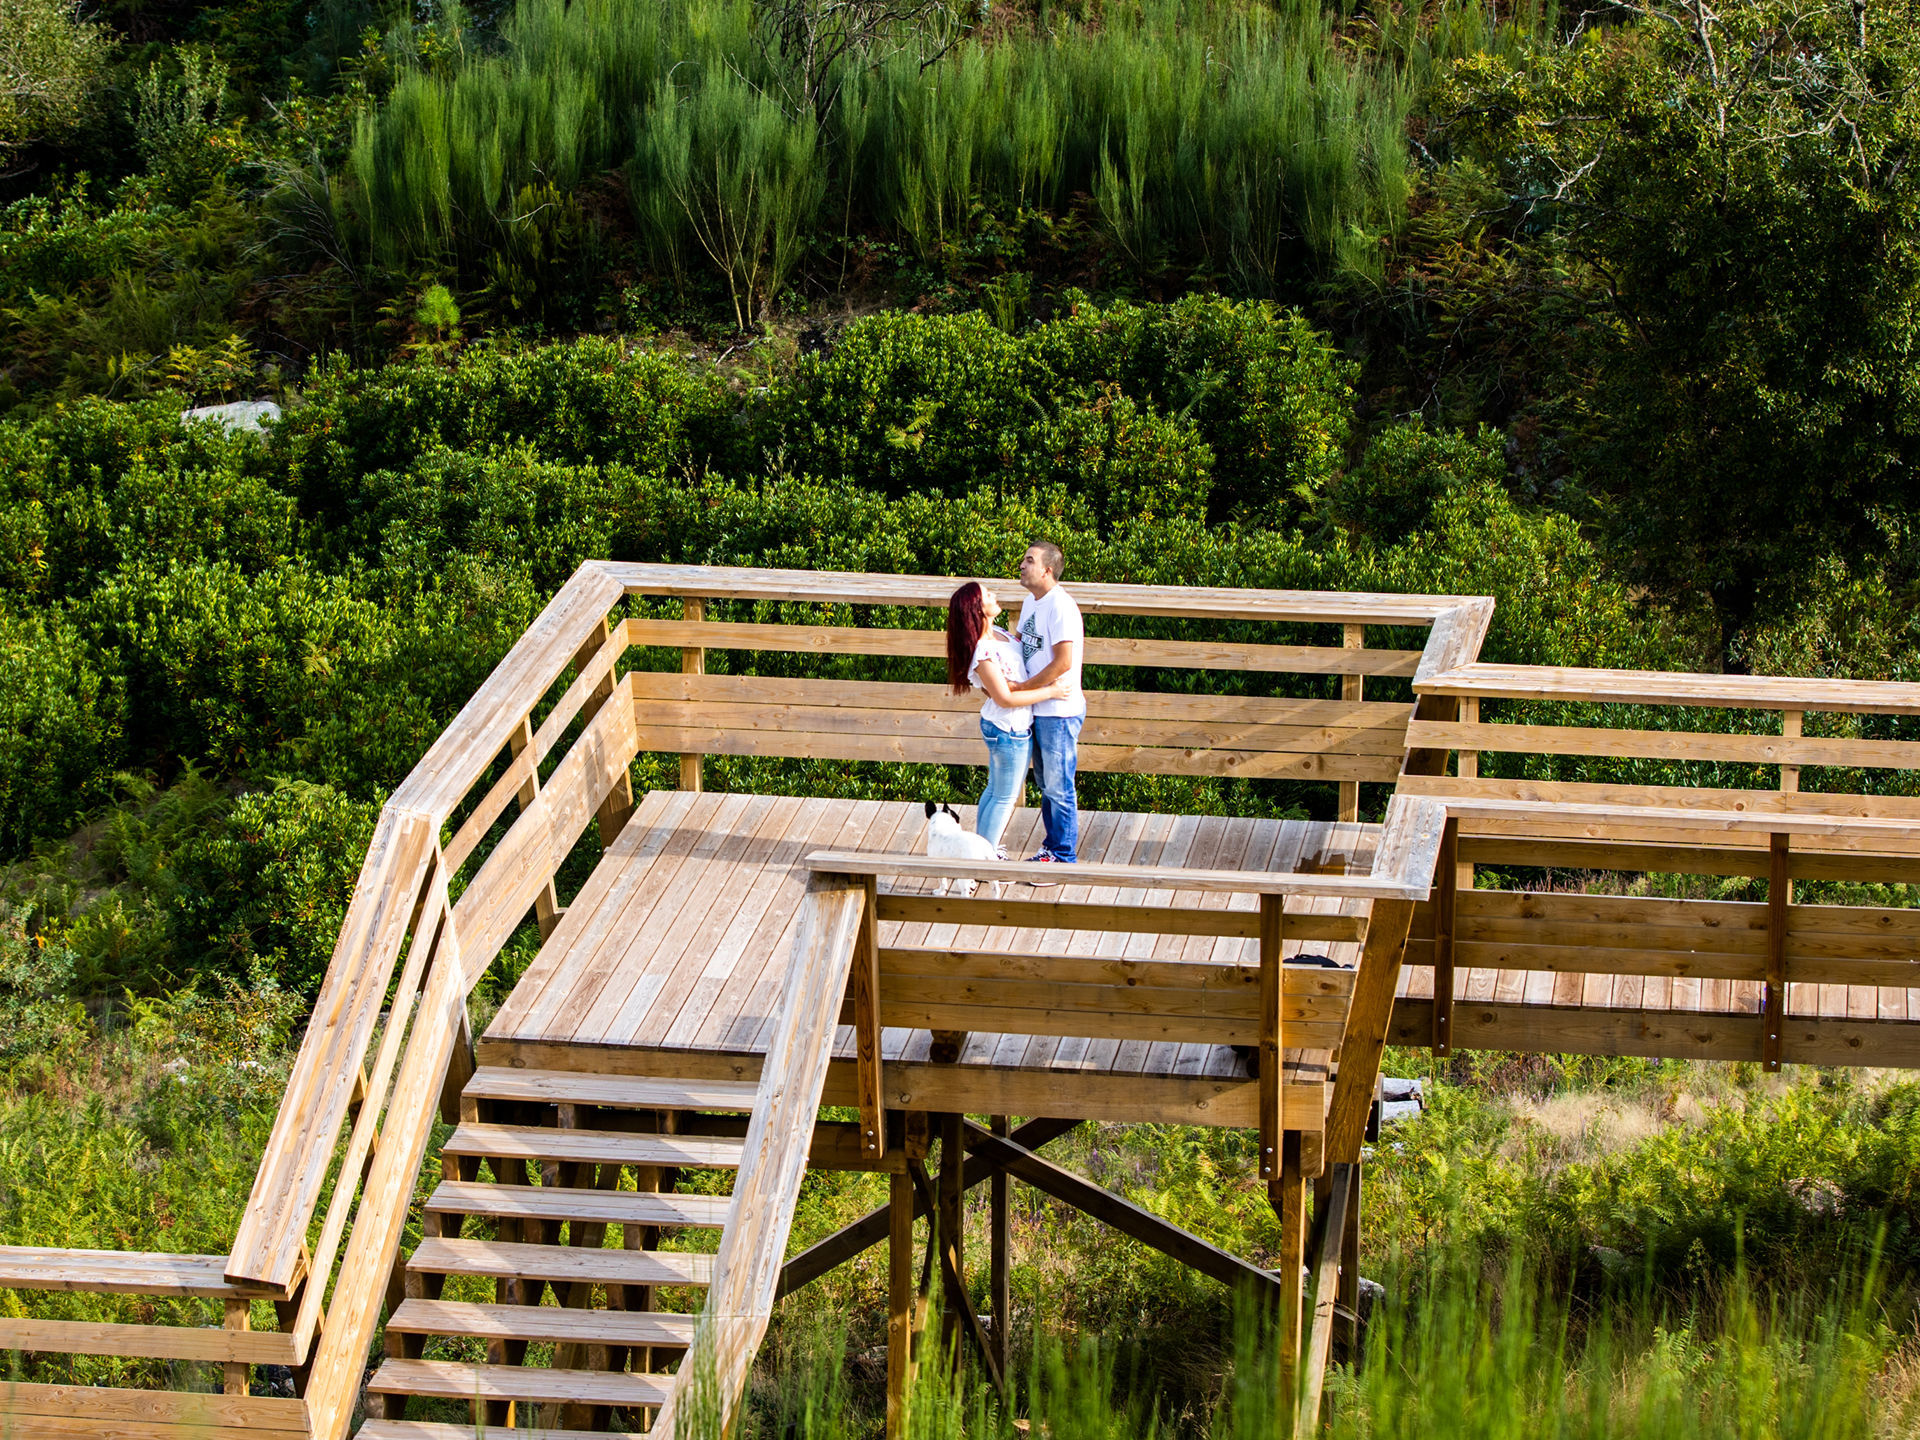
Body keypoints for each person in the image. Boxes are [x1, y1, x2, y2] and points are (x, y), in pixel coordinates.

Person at [945, 581, 1066, 853]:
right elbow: (1005, 698)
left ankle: (981, 851)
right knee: (1004, 797)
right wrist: (1051, 691)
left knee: (994, 791)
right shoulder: (983, 651)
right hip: (1008, 729)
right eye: (988, 595)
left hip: (1005, 727)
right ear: (977, 609)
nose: (994, 596)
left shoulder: (996, 634)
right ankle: (984, 859)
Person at [1010, 540, 1084, 868]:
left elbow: (1063, 661)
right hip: (1039, 707)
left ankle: (1064, 856)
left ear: (1047, 570)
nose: (1022, 565)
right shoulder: (1031, 602)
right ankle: (1051, 849)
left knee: (1058, 785)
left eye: (1029, 560)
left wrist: (1023, 688)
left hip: (1058, 710)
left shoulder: (1060, 606)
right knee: (1045, 783)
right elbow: (1026, 643)